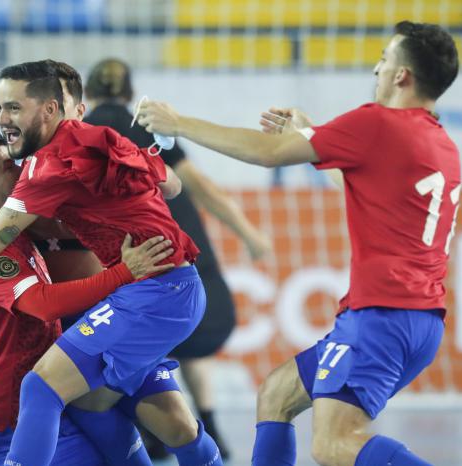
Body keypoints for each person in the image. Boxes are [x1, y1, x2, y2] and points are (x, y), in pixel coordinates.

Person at [137, 20, 460, 466]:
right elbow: (361, 183)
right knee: (277, 394)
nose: (377, 68)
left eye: (385, 59)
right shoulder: (439, 142)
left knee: (333, 446)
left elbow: (267, 153)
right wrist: (314, 133)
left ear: (402, 76)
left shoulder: (378, 123)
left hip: (381, 315)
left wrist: (180, 123)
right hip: (418, 320)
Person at [0, 60, 223, 466]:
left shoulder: (46, 172)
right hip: (105, 313)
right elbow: (171, 185)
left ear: (64, 110)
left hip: (131, 304)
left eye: (12, 107)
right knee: (135, 416)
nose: (2, 118)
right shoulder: (88, 151)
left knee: (51, 395)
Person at [0, 129, 174, 466]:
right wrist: (125, 272)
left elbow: (171, 184)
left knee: (152, 433)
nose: (21, 170)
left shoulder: (16, 221)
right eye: (9, 166)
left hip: (40, 400)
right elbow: (42, 303)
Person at [83, 57, 273, 459]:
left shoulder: (82, 133)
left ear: (87, 96)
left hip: (131, 247)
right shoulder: (145, 126)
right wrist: (248, 232)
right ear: (132, 93)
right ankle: (208, 426)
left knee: (137, 341)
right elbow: (199, 185)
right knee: (190, 338)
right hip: (181, 239)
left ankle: (147, 429)